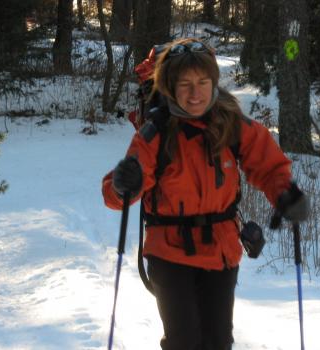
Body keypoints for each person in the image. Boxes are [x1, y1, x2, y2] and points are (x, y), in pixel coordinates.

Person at [102, 38, 309, 350]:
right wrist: (122, 183)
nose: (195, 93)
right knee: (184, 341)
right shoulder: (156, 132)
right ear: (170, 86)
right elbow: (116, 193)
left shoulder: (232, 124)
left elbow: (268, 166)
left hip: (221, 249)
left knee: (217, 341)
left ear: (214, 82)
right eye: (185, 84)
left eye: (203, 82)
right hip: (169, 251)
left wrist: (285, 194)